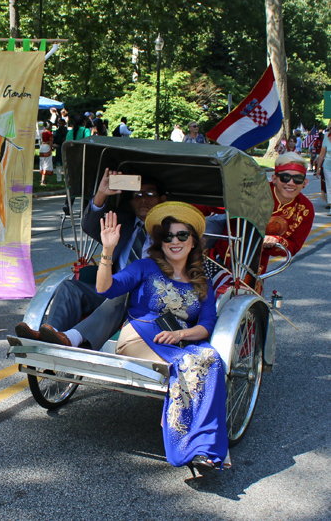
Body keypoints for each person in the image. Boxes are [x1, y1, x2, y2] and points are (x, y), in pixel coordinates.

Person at [96, 202, 228, 472]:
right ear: (160, 242)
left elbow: (206, 324)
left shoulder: (202, 281)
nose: (174, 241)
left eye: (182, 235)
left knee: (212, 359)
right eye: (167, 236)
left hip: (179, 341)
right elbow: (105, 288)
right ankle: (184, 445)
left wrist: (181, 333)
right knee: (190, 365)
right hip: (142, 336)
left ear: (193, 242)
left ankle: (204, 449)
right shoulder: (145, 267)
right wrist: (107, 250)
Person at [15, 169, 167, 350]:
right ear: (132, 201)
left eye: (150, 194)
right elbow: (89, 225)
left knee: (120, 293)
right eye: (138, 194)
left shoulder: (170, 233)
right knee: (70, 287)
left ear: (162, 200)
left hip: (147, 297)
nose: (143, 198)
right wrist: (101, 194)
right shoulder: (121, 223)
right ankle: (53, 333)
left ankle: (71, 338)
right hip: (111, 286)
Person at [211, 152, 314, 275]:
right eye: (285, 177)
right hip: (221, 254)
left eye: (298, 179)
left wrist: (277, 241)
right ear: (274, 179)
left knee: (249, 293)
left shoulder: (305, 209)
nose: (291, 183)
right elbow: (213, 204)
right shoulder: (253, 192)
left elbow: (294, 246)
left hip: (256, 266)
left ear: (305, 183)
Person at [316, 125, 331, 214]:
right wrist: (318, 168)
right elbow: (322, 155)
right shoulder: (326, 140)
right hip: (327, 166)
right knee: (329, 187)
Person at [39, 120, 54, 186]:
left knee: (42, 163)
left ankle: (43, 178)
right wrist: (51, 148)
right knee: (46, 163)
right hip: (47, 147)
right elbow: (51, 142)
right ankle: (43, 180)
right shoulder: (49, 133)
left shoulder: (42, 132)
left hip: (42, 147)